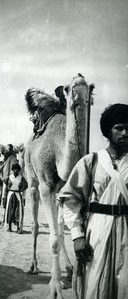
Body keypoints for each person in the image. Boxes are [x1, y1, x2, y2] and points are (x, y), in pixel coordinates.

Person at [59, 103, 128, 299]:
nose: (125, 133)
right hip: (97, 232)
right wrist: (77, 236)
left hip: (127, 232)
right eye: (119, 128)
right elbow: (71, 199)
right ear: (108, 131)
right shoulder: (92, 161)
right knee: (96, 285)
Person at [3, 163, 28, 233]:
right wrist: (4, 197)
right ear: (13, 170)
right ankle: (9, 227)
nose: (16, 170)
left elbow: (25, 186)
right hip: (10, 195)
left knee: (18, 211)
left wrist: (23, 196)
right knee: (10, 211)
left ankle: (18, 228)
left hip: (18, 196)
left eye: (17, 169)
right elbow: (5, 188)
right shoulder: (9, 177)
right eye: (14, 169)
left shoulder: (21, 178)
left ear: (19, 170)